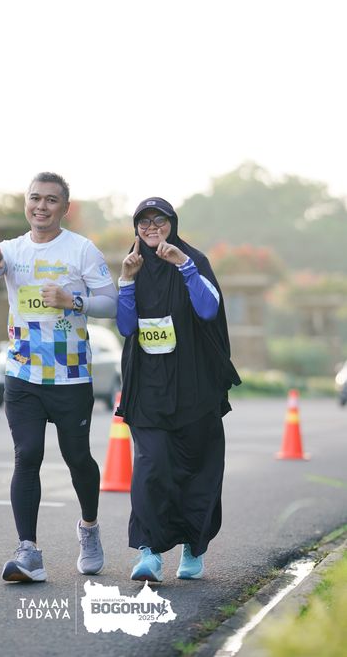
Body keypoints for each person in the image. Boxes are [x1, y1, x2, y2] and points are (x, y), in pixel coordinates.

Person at [0, 172, 117, 582]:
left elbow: (111, 303)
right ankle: (28, 552)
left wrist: (73, 300)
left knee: (77, 458)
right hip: (22, 374)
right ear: (27, 203)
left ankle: (89, 528)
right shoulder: (11, 250)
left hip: (70, 376)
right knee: (27, 455)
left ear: (64, 208)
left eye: (51, 200)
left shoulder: (81, 250)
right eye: (35, 198)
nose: (41, 206)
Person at [116, 197, 240, 583]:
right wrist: (126, 280)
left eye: (160, 220)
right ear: (136, 227)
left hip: (194, 386)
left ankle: (193, 547)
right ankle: (149, 552)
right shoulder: (133, 264)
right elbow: (126, 327)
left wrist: (183, 265)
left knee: (198, 469)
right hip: (148, 385)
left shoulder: (194, 260)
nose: (151, 227)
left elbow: (208, 310)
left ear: (172, 223)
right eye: (144, 221)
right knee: (152, 465)